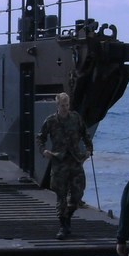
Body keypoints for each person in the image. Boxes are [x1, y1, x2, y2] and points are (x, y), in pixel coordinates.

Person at [37, 92, 93, 239]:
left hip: (75, 159)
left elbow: (85, 134)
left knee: (77, 194)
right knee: (61, 196)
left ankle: (68, 217)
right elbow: (40, 138)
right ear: (57, 105)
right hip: (59, 161)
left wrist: (88, 150)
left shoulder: (75, 118)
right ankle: (63, 226)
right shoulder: (50, 121)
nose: (65, 108)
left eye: (67, 105)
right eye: (62, 105)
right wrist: (44, 151)